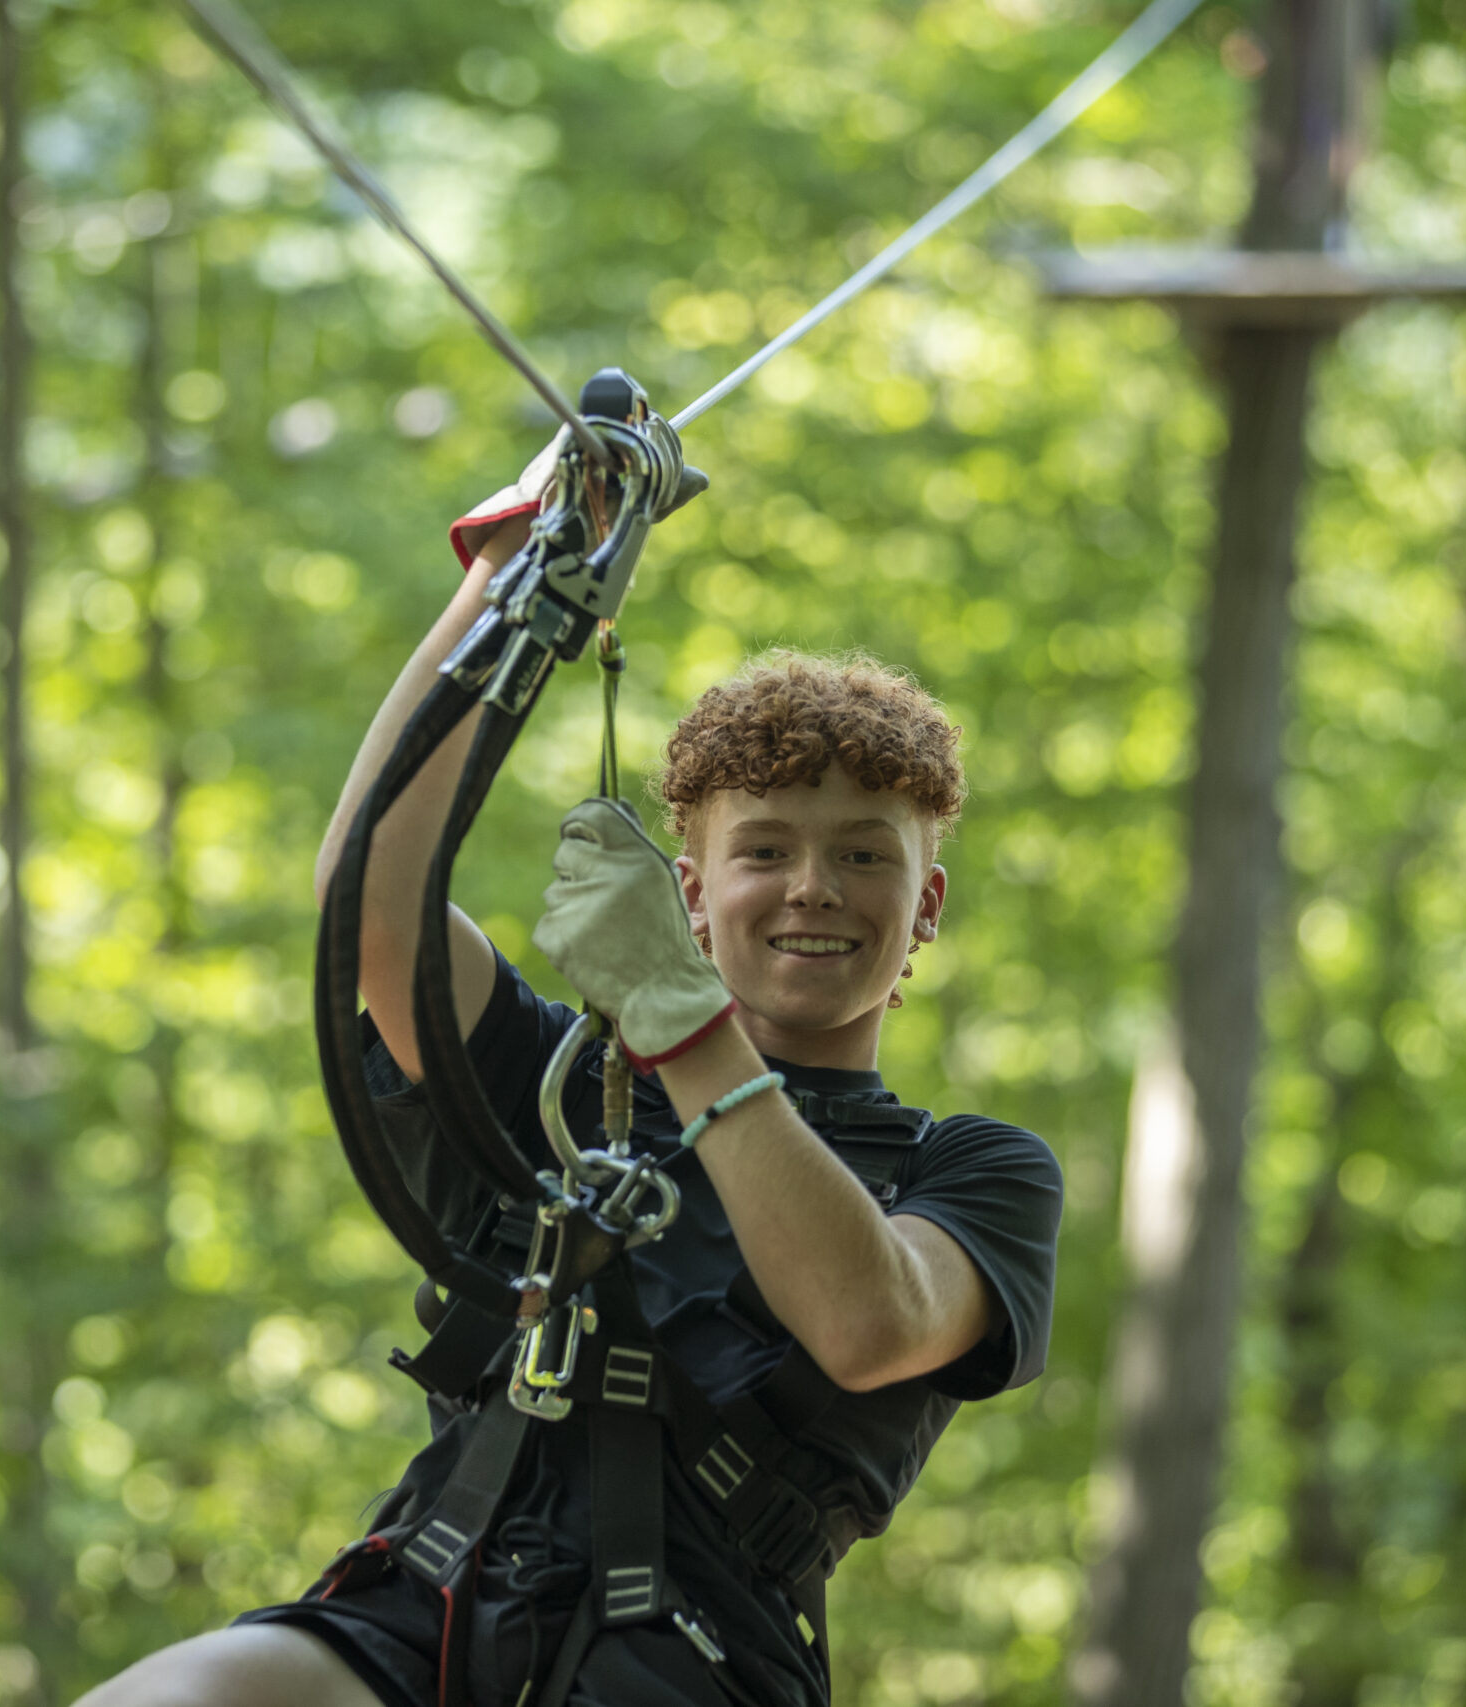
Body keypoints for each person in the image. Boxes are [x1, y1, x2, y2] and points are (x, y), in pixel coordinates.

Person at [77, 447, 1062, 1707]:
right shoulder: (558, 1082)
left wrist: (674, 1012)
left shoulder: (970, 1170)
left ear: (923, 906)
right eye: (765, 849)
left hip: (693, 1659)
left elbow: (868, 1322)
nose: (814, 886)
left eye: (862, 856)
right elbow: (370, 906)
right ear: (691, 891)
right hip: (415, 1612)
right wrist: (517, 568)